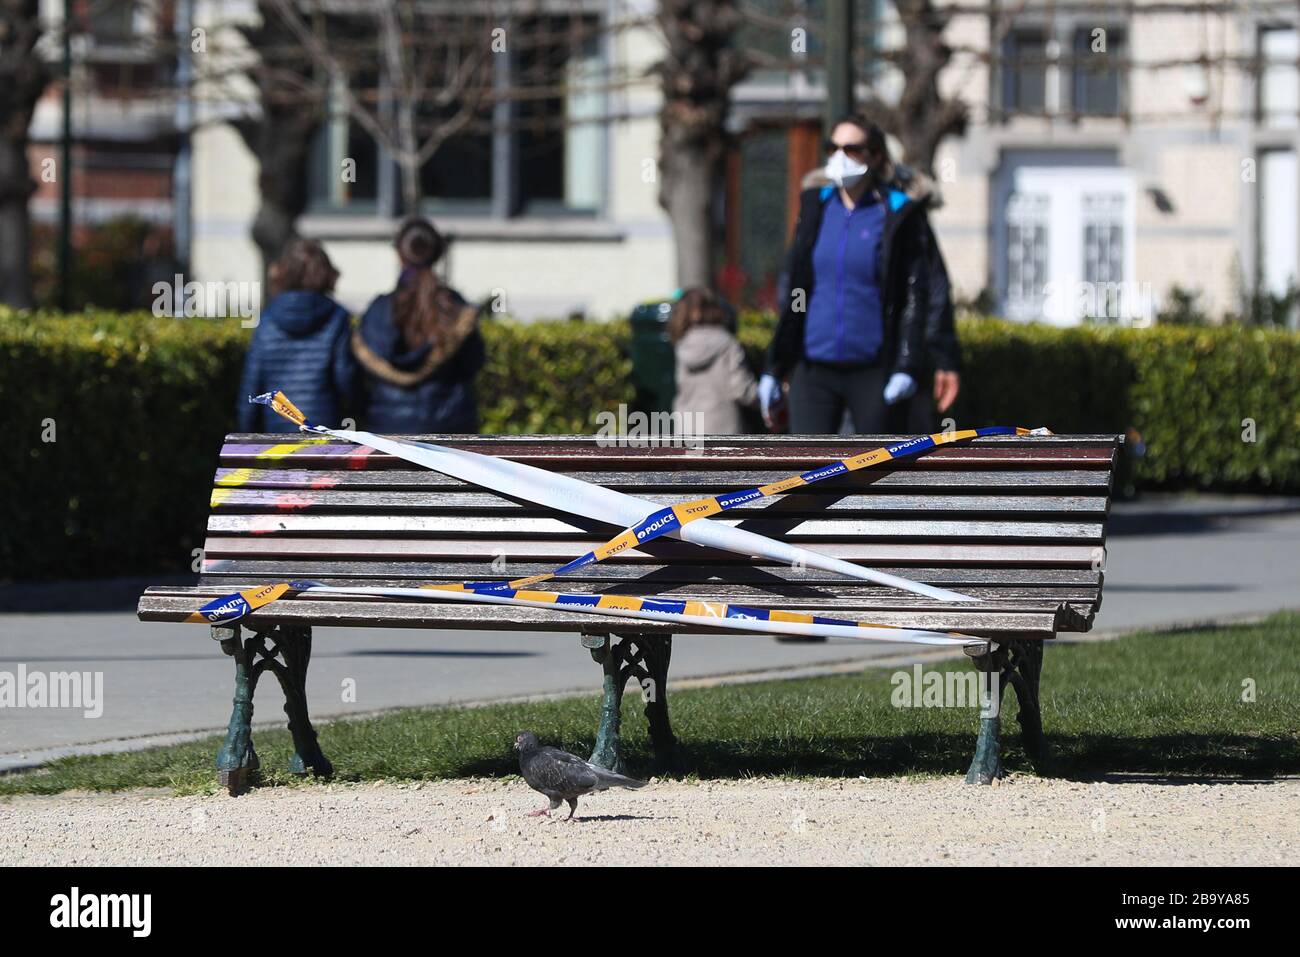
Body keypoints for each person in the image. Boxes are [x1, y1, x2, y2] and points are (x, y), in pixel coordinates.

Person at [760, 116, 936, 434]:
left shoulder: (896, 212)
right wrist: (776, 365)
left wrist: (907, 366)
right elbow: (796, 289)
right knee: (809, 472)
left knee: (877, 472)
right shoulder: (816, 206)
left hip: (873, 367)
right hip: (814, 367)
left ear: (875, 156)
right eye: (833, 147)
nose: (840, 156)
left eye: (852, 149)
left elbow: (915, 293)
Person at [352, 217, 485, 433]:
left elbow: (358, 375)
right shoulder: (455, 308)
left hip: (389, 428)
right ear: (438, 253)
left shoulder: (379, 309)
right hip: (450, 425)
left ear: (399, 254)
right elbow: (472, 364)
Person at [235, 239, 356, 432]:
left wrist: (246, 434)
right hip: (325, 430)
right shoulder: (337, 317)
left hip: (276, 432)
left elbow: (252, 385)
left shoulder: (267, 319)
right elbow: (346, 380)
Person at [668, 287, 758, 435]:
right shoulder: (727, 343)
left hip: (687, 431)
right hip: (722, 431)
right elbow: (742, 389)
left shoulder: (682, 345)